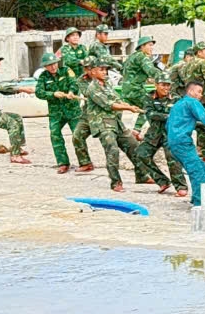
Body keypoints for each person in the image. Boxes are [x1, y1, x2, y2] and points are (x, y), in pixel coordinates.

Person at [80, 58, 145, 191]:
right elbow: (108, 105)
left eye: (106, 69)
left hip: (116, 122)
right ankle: (116, 182)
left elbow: (116, 98)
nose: (105, 72)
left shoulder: (107, 83)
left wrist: (127, 105)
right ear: (92, 71)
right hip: (102, 123)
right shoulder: (92, 88)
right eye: (101, 69)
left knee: (133, 146)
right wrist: (127, 108)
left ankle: (141, 175)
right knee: (112, 150)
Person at [166, 80, 205, 207]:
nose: (200, 95)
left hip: (174, 141)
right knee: (198, 170)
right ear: (190, 91)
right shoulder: (192, 102)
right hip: (183, 141)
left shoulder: (178, 104)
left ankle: (197, 197)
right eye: (199, 92)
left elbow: (168, 124)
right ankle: (199, 201)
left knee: (200, 168)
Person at [134, 75, 188, 197]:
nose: (166, 88)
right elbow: (149, 114)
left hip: (170, 134)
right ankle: (162, 181)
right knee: (141, 154)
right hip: (154, 134)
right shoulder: (148, 97)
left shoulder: (176, 98)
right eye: (163, 85)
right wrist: (168, 116)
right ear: (156, 85)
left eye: (168, 85)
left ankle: (181, 186)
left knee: (172, 158)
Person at [34, 51, 87, 173]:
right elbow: (38, 92)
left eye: (54, 64)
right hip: (56, 112)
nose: (53, 67)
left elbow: (75, 83)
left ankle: (85, 162)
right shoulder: (43, 77)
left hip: (72, 110)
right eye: (49, 65)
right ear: (45, 66)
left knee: (77, 135)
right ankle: (63, 163)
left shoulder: (66, 70)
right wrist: (52, 94)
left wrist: (71, 92)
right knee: (55, 135)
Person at [117, 36, 161, 130]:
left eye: (152, 45)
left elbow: (122, 70)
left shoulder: (131, 56)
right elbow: (151, 71)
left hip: (125, 90)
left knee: (121, 109)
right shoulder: (142, 56)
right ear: (142, 46)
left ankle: (118, 129)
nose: (151, 48)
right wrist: (165, 77)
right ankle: (137, 130)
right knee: (149, 107)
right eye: (149, 45)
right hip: (136, 90)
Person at [187, 43, 205, 158]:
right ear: (199, 52)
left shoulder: (188, 63)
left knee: (198, 125)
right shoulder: (203, 63)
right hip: (203, 98)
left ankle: (199, 149)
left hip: (191, 96)